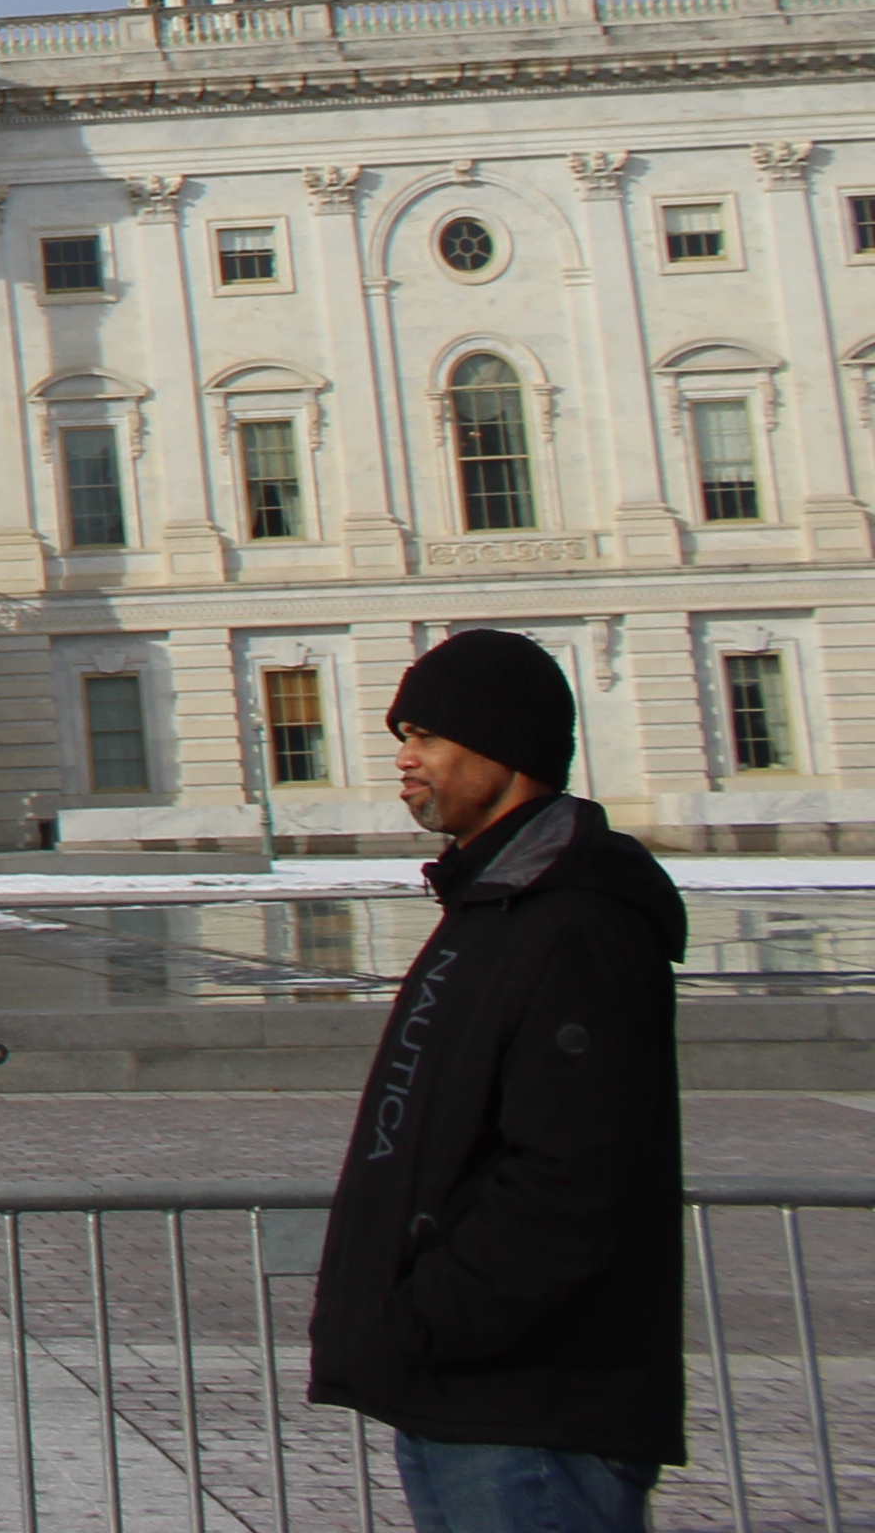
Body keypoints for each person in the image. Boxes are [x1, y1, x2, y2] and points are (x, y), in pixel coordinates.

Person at [305, 629, 688, 1533]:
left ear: (504, 748)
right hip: (468, 1400)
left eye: (428, 736)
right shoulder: (494, 906)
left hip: (530, 1413)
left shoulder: (578, 924)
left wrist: (421, 1323)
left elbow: (571, 1181)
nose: (406, 761)